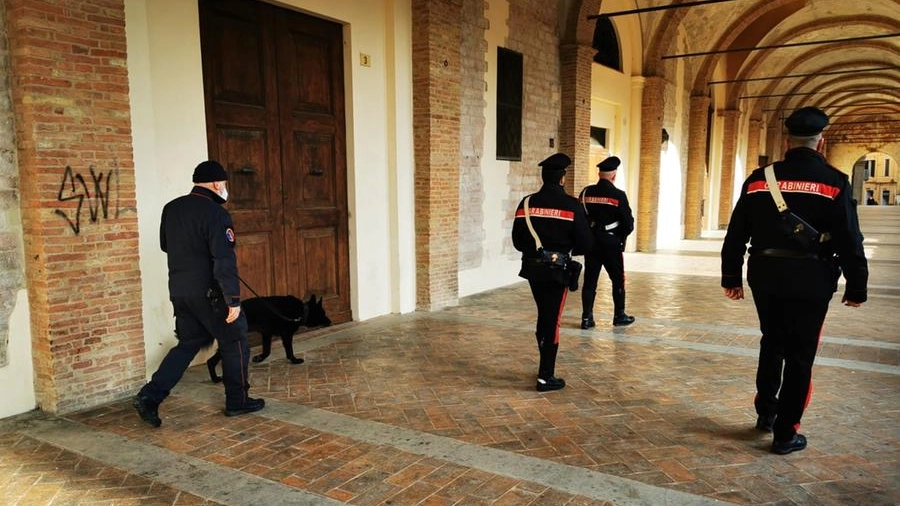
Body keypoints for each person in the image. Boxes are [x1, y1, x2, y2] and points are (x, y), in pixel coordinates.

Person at [721, 107, 868, 455]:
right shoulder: (834, 182)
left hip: (766, 275)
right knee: (801, 354)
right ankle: (787, 433)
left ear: (787, 140)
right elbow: (850, 238)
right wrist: (856, 285)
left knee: (771, 341)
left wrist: (732, 276)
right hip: (811, 279)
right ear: (821, 141)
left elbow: (736, 233)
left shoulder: (759, 178)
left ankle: (766, 414)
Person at [134, 160, 265, 427]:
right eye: (224, 184)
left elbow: (164, 245)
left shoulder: (171, 208)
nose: (225, 188)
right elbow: (223, 259)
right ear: (217, 183)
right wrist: (233, 300)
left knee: (188, 344)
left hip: (180, 291)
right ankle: (237, 401)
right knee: (236, 340)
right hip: (212, 293)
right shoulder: (217, 213)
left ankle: (150, 395)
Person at [512, 153, 592, 392]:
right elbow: (586, 244)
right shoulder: (572, 205)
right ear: (562, 178)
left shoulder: (526, 203)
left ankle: (544, 365)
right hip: (558, 271)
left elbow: (517, 241)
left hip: (534, 269)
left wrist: (537, 250)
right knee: (552, 320)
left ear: (543, 177)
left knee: (544, 315)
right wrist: (564, 250)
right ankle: (546, 376)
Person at [578, 156, 636, 329]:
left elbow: (580, 219)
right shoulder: (618, 195)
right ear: (613, 176)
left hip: (592, 244)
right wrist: (619, 238)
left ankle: (587, 318)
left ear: (599, 174)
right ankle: (619, 315)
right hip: (611, 243)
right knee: (617, 279)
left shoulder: (585, 193)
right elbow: (629, 224)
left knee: (590, 280)